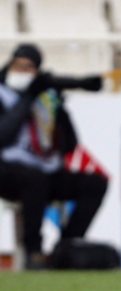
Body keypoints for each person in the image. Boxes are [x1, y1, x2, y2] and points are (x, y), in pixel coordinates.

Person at [0, 44, 107, 270]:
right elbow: (4, 136)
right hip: (7, 171)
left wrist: (58, 108)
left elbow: (70, 145)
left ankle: (65, 249)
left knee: (95, 183)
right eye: (17, 66)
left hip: (44, 168)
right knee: (35, 179)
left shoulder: (46, 98)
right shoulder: (3, 94)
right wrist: (28, 98)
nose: (21, 72)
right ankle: (34, 252)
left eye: (28, 68)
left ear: (37, 72)